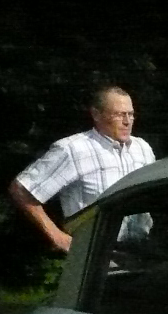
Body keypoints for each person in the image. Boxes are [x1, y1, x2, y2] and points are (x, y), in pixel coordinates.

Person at [8, 86, 155, 252]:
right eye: (119, 114)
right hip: (93, 252)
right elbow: (21, 189)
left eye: (131, 114)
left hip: (141, 253)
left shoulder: (142, 148)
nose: (127, 121)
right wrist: (57, 236)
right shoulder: (73, 149)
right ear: (96, 115)